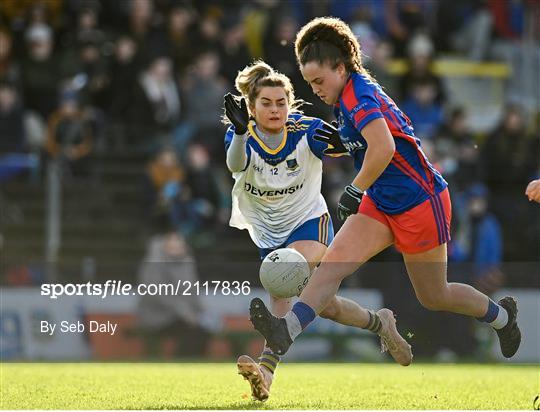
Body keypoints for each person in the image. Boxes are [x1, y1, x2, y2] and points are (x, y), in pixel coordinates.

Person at [248, 17, 521, 362]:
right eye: (309, 82)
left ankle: (502, 317)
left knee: (435, 295)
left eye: (318, 80)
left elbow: (384, 148)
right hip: (382, 201)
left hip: (420, 201)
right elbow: (364, 144)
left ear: (341, 66)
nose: (315, 88)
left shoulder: (357, 94)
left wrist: (353, 189)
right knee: (332, 266)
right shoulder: (345, 94)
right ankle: (285, 330)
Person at [223, 61, 412, 401]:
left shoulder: (306, 130)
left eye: (281, 102)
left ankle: (266, 372)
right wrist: (238, 132)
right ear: (252, 106)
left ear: (290, 103)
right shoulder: (241, 134)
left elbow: (353, 144)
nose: (275, 109)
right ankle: (379, 323)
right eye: (266, 103)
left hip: (309, 221)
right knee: (324, 304)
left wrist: (352, 137)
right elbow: (235, 166)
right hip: (269, 233)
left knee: (283, 279)